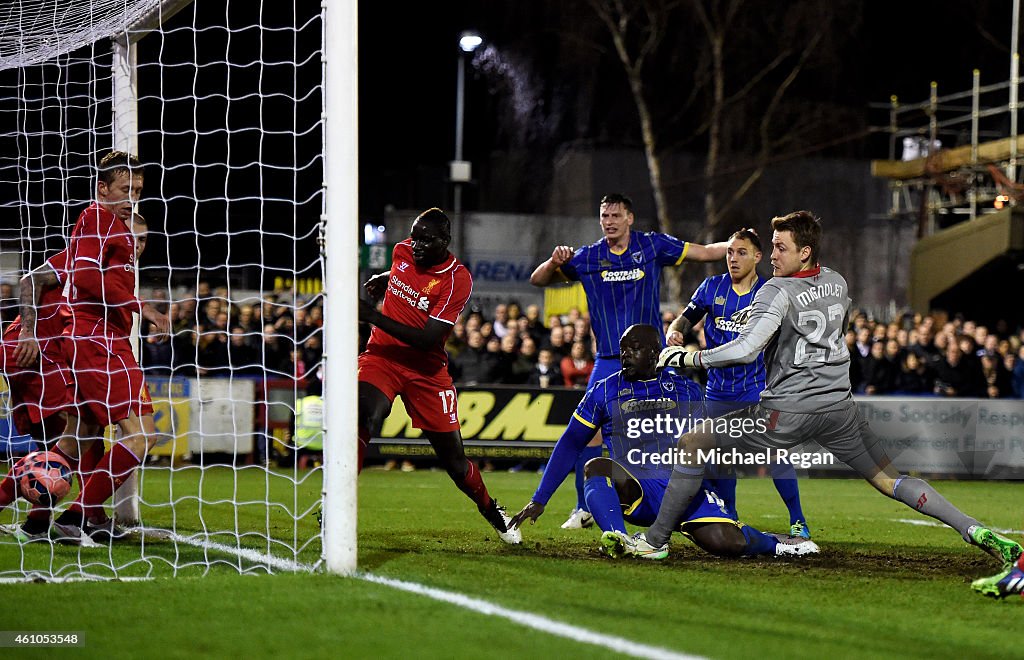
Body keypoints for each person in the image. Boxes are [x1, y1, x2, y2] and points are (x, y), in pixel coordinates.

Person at [640, 211, 1022, 573]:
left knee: (693, 442)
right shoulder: (837, 282)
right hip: (839, 409)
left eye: (781, 248)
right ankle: (972, 529)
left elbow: (744, 349)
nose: (773, 255)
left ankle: (655, 540)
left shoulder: (775, 291)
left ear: (805, 251)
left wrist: (688, 358)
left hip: (786, 414)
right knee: (891, 480)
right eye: (772, 246)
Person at [508, 324, 818, 559]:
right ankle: (620, 538)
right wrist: (540, 498)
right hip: (638, 490)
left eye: (634, 348)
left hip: (684, 490)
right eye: (622, 349)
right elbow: (570, 444)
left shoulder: (687, 390)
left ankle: (781, 544)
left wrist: (725, 503)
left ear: (655, 355)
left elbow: (709, 451)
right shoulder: (603, 390)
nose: (624, 354)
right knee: (596, 466)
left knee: (727, 543)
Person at [530, 193, 727, 529]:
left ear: (630, 218)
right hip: (609, 360)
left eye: (615, 215)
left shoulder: (652, 246)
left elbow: (705, 253)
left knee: (675, 429)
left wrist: (736, 245)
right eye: (604, 215)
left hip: (653, 362)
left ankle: (693, 498)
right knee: (588, 435)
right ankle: (584, 506)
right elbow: (538, 279)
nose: (609, 221)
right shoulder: (588, 257)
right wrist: (553, 262)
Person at [357, 207, 520, 544]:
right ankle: (338, 504)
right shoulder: (403, 251)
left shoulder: (456, 279)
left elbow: (427, 339)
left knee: (456, 465)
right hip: (382, 357)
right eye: (414, 237)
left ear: (445, 242)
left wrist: (373, 316)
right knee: (364, 416)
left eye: (426, 240)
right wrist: (386, 277)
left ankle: (492, 510)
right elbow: (405, 274)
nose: (416, 245)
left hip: (426, 372)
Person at [50, 152, 170, 544]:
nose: (131, 197)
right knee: (138, 437)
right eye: (124, 189)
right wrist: (141, 305)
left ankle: (54, 518)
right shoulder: (98, 217)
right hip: (95, 338)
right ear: (102, 188)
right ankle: (76, 515)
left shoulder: (117, 228)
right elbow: (84, 277)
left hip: (108, 339)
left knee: (84, 434)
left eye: (137, 190)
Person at [665, 228, 810, 538]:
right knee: (718, 459)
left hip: (756, 390)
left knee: (775, 454)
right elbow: (685, 319)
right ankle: (729, 518)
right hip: (717, 391)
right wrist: (676, 331)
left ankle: (798, 520)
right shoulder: (710, 287)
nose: (732, 258)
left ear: (758, 256)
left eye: (741, 252)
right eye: (729, 251)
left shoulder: (770, 292)